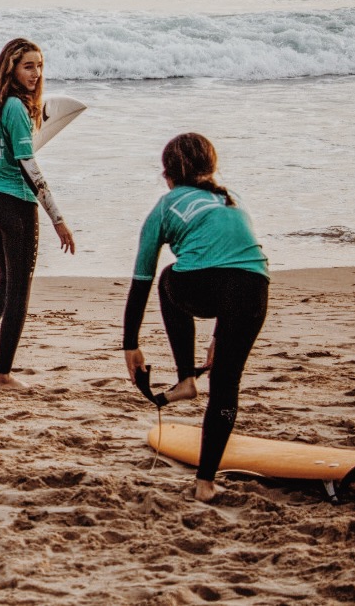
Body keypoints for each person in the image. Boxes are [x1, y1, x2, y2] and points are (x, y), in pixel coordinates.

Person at [122, 133, 269, 503]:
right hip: (256, 288)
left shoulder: (166, 204)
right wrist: (218, 338)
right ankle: (205, 483)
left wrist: (131, 346)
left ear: (168, 175)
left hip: (203, 286)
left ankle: (186, 377)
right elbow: (236, 264)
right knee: (226, 383)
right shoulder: (231, 198)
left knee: (169, 275)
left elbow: (141, 281)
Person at [0, 37, 76, 391]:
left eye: (40, 66)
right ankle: (3, 375)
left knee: (6, 281)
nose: (37, 74)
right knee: (19, 290)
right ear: (10, 67)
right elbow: (29, 168)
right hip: (15, 208)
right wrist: (58, 219)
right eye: (28, 66)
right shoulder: (16, 110)